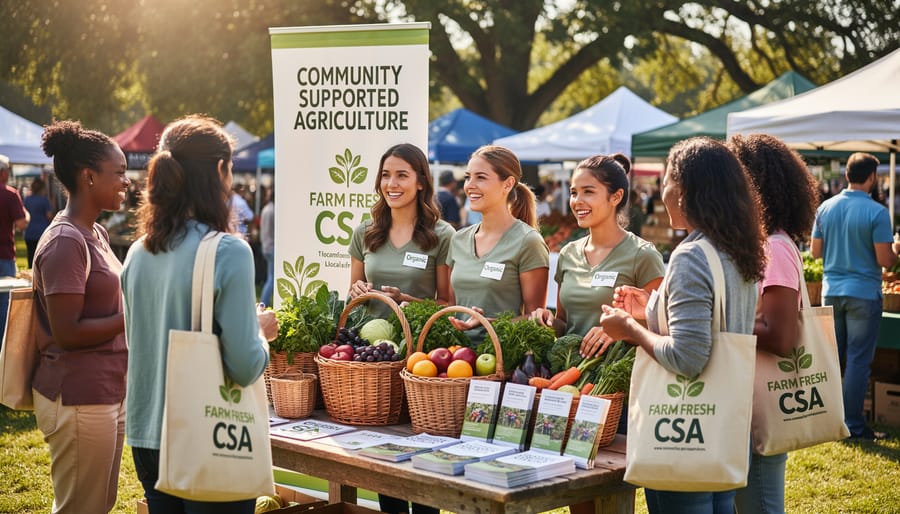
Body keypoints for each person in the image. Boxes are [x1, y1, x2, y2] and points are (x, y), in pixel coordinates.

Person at [600, 137, 766, 514]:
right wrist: (654, 307)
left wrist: (629, 328)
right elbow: (712, 320)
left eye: (667, 181)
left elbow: (688, 356)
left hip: (683, 430)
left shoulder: (691, 255)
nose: (663, 192)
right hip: (724, 429)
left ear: (687, 188)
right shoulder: (736, 249)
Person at [120, 115, 276, 514]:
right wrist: (261, 333)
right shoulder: (229, 252)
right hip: (208, 430)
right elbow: (243, 366)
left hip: (145, 431)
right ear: (221, 170)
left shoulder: (137, 253)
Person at [348, 143, 453, 514]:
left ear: (421, 182)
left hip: (421, 360)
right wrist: (357, 292)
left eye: (402, 175)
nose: (391, 183)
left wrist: (406, 299)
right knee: (385, 459)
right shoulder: (366, 231)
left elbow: (447, 306)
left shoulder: (441, 235)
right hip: (374, 362)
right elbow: (352, 294)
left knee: (423, 457)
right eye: (386, 174)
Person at [32, 121, 129, 514]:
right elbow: (67, 332)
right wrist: (132, 317)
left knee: (100, 504)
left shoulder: (97, 234)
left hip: (106, 392)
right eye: (119, 173)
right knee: (80, 508)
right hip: (77, 396)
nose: (127, 182)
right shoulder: (65, 242)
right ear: (88, 177)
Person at [728, 133, 821, 514]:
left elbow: (782, 337)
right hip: (746, 404)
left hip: (762, 407)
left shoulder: (774, 248)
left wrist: (715, 326)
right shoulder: (761, 244)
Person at [811, 152, 900, 441]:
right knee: (859, 361)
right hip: (863, 293)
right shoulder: (876, 212)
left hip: (831, 292)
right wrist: (897, 248)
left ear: (847, 174)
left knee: (833, 360)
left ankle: (829, 420)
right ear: (872, 178)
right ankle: (853, 425)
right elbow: (885, 260)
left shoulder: (825, 208)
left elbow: (815, 252)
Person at [531, 154, 664, 347]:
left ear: (616, 197)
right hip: (569, 370)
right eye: (574, 192)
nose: (577, 201)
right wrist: (547, 321)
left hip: (620, 373)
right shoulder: (568, 253)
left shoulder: (643, 255)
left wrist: (620, 331)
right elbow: (564, 323)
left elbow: (660, 327)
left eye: (588, 192)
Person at [447, 145, 549, 333]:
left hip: (503, 357)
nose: (470, 185)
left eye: (481, 177)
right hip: (455, 357)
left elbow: (536, 318)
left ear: (507, 184)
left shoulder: (528, 242)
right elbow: (451, 306)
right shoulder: (458, 239)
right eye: (467, 177)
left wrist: (489, 324)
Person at [0, 154, 29, 337]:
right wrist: (25, 214)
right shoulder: (10, 194)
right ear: (3, 173)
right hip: (4, 255)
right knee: (5, 305)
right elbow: (22, 224)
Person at [24, 177, 54, 268]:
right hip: (42, 233)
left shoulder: (27, 200)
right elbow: (49, 216)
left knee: (31, 257)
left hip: (29, 232)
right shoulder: (44, 200)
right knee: (42, 259)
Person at [259, 188, 275, 307]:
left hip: (265, 246)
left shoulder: (266, 209)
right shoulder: (274, 210)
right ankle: (263, 303)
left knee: (270, 277)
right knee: (271, 279)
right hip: (272, 247)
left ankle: (263, 303)